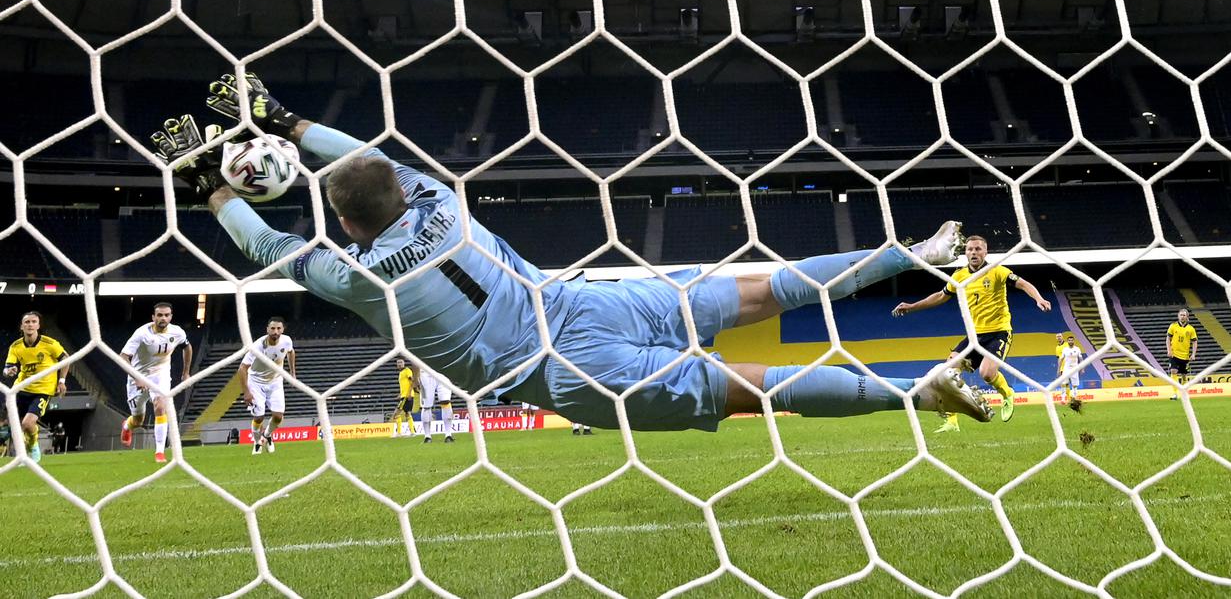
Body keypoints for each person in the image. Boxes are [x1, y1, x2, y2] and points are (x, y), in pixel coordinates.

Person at [144, 75, 993, 435]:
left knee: (753, 394)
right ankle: (910, 251)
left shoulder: (354, 274)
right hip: (578, 300)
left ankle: (916, 394)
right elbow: (362, 154)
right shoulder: (437, 196)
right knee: (756, 290)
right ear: (396, 192)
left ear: (349, 223)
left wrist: (206, 187)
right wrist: (283, 119)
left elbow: (270, 244)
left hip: (557, 370)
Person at [892, 235, 1052, 433]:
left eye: (978, 249)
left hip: (998, 332)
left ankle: (1008, 394)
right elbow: (941, 296)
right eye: (970, 249)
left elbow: (1024, 284)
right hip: (974, 336)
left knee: (987, 373)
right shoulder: (959, 276)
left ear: (985, 252)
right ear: (965, 252)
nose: (974, 253)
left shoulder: (997, 271)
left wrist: (1039, 299)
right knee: (947, 374)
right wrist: (912, 306)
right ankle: (952, 421)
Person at [119, 302, 192, 463]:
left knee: (160, 406)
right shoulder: (142, 334)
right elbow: (123, 356)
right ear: (153, 317)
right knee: (138, 420)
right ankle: (127, 426)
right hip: (137, 376)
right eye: (159, 315)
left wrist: (186, 372)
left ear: (171, 317)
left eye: (166, 315)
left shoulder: (177, 332)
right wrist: (137, 377)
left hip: (160, 375)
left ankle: (159, 452)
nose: (163, 318)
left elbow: (187, 348)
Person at [4, 311, 69, 464]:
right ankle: (22, 455)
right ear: (22, 326)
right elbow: (7, 368)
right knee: (15, 425)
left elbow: (66, 359)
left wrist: (61, 380)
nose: (30, 324)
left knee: (27, 423)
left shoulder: (50, 344)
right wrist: (9, 371)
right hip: (21, 388)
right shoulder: (16, 346)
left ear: (38, 325)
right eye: (27, 322)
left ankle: (33, 447)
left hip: (43, 390)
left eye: (33, 322)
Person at [239, 316, 296, 455]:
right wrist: (246, 392)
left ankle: (268, 435)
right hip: (256, 382)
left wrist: (292, 373)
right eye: (272, 328)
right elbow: (242, 368)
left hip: (275, 382)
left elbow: (291, 352)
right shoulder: (258, 346)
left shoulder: (287, 341)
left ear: (283, 329)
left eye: (278, 328)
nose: (275, 331)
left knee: (278, 416)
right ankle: (257, 442)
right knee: (259, 417)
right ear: (267, 330)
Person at [416, 361, 455, 443]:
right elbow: (414, 358)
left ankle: (448, 435)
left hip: (445, 370)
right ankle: (427, 436)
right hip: (425, 373)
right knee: (426, 406)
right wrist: (416, 377)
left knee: (446, 402)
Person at [1166, 308, 1198, 400]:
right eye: (1181, 315)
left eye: (1184, 315)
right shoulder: (1173, 326)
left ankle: (1183, 392)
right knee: (1173, 371)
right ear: (1178, 316)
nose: (1182, 317)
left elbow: (1194, 342)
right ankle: (1175, 394)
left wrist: (1193, 354)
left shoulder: (1191, 329)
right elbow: (1168, 338)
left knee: (1184, 375)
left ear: (1187, 317)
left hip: (1185, 355)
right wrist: (1169, 350)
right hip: (1174, 354)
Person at [390, 358, 415, 438]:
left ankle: (399, 433)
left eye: (401, 362)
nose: (399, 364)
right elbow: (405, 385)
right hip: (404, 395)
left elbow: (412, 381)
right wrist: (400, 394)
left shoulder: (407, 370)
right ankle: (412, 432)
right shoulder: (401, 373)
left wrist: (409, 393)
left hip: (407, 396)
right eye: (398, 363)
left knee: (396, 414)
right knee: (407, 414)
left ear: (404, 363)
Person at [1057, 334, 1083, 405]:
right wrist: (1058, 369)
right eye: (1069, 340)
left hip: (1075, 369)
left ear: (1074, 341)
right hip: (1066, 369)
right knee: (1063, 384)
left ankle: (1074, 399)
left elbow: (1080, 358)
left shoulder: (1077, 349)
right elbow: (1061, 359)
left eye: (1071, 340)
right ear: (1067, 341)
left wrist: (1082, 368)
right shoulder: (1065, 349)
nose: (1070, 341)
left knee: (1074, 385)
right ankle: (1063, 399)